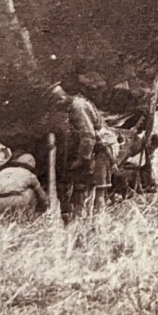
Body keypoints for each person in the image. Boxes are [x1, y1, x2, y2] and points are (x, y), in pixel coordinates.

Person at [46, 82, 105, 216]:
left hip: (89, 152)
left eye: (57, 100)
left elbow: (88, 135)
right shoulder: (72, 105)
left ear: (62, 97)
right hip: (81, 151)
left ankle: (81, 218)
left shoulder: (77, 106)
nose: (57, 105)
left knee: (81, 187)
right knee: (74, 187)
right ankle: (74, 216)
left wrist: (82, 159)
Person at [0, 154, 48, 218]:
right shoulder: (30, 175)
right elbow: (42, 196)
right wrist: (44, 207)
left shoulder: (3, 171)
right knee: (31, 191)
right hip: (15, 201)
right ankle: (26, 218)